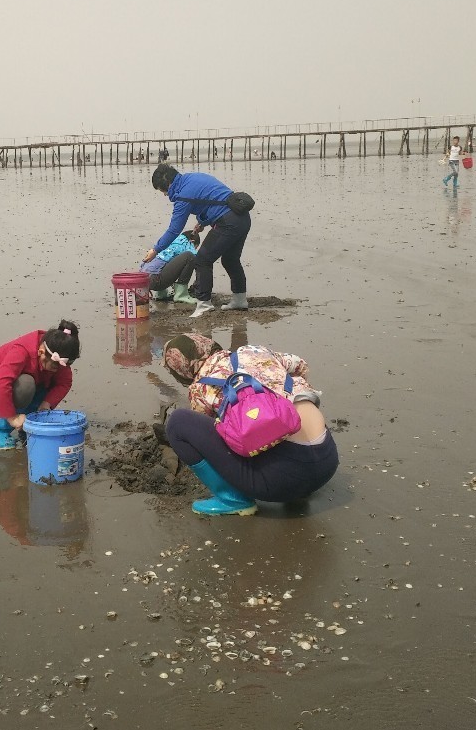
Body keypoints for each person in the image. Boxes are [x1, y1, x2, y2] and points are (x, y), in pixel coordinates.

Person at [160, 334, 338, 516]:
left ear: (181, 370)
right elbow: (301, 366)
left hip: (281, 480)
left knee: (178, 423)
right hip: (327, 460)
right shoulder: (253, 351)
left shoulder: (200, 388)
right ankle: (301, 488)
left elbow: (208, 441)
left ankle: (232, 499)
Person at [144, 164, 251, 318]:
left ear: (168, 184)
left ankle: (204, 304)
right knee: (231, 260)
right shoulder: (193, 178)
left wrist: (155, 249)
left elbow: (174, 230)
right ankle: (240, 300)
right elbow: (213, 199)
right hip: (242, 218)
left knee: (202, 260)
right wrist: (202, 222)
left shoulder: (182, 196)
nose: (164, 195)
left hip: (228, 222)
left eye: (162, 191)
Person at [0, 320, 82, 449]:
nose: (58, 370)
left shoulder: (58, 355)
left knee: (45, 386)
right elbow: (2, 383)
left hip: (27, 382)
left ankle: (26, 426)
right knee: (26, 385)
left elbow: (64, 383)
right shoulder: (22, 351)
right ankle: (0, 429)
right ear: (41, 352)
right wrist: (12, 417)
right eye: (55, 367)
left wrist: (47, 403)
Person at [142, 230, 199, 304]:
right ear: (192, 241)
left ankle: (161, 294)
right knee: (189, 256)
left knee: (166, 260)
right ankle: (181, 295)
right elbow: (196, 257)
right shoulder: (185, 243)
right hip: (156, 281)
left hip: (144, 280)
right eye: (196, 247)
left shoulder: (170, 241)